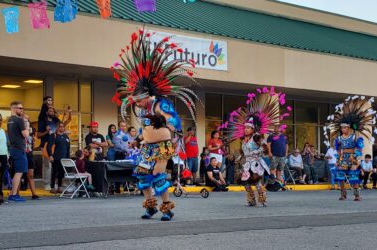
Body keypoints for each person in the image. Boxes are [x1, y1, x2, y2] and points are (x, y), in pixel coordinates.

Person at [110, 28, 201, 221]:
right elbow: (146, 130)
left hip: (163, 147)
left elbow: (174, 120)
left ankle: (167, 209)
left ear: (145, 96)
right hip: (147, 147)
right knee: (143, 176)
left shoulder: (160, 103)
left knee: (159, 175)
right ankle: (150, 207)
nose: (137, 104)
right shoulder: (144, 110)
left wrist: (167, 126)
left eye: (139, 100)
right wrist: (138, 140)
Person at [221, 86, 289, 206]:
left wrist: (255, 152)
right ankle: (251, 200)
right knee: (246, 183)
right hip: (247, 163)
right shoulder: (244, 140)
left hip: (256, 163)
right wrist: (239, 157)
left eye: (248, 127)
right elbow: (243, 151)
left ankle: (262, 200)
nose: (246, 129)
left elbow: (263, 148)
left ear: (253, 129)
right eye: (245, 127)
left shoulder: (257, 137)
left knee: (257, 182)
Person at [324, 95, 377, 201]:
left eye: (345, 127)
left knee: (354, 177)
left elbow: (359, 149)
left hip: (353, 159)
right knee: (340, 176)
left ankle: (357, 195)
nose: (343, 129)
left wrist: (355, 158)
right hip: (343, 159)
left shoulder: (355, 137)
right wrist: (338, 159)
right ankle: (343, 194)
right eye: (341, 127)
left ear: (349, 127)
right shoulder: (338, 138)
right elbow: (338, 150)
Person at [7, 101, 29, 202]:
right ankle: (14, 194)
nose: (22, 110)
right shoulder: (19, 120)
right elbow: (26, 135)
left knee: (17, 171)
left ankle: (12, 193)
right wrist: (27, 125)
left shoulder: (9, 120)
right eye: (20, 108)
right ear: (14, 108)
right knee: (19, 172)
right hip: (19, 149)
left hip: (13, 148)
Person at [47, 122, 70, 194]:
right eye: (60, 126)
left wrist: (68, 158)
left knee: (61, 173)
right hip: (56, 157)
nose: (62, 128)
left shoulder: (66, 136)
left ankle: (60, 187)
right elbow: (49, 146)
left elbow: (68, 148)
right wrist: (50, 155)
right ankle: (53, 187)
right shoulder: (54, 136)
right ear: (57, 128)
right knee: (54, 172)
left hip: (64, 159)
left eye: (63, 127)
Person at [21, 113, 40, 200]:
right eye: (24, 120)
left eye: (27, 120)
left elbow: (34, 142)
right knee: (20, 174)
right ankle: (16, 194)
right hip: (21, 152)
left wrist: (34, 140)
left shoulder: (32, 130)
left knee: (31, 175)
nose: (26, 121)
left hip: (29, 153)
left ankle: (34, 193)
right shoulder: (19, 129)